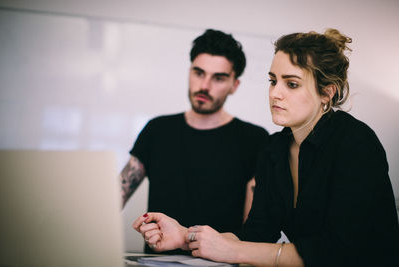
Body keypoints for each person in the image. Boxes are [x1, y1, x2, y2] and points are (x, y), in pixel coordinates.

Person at [133, 28, 399, 266]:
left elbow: (339, 252)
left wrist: (234, 252)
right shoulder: (275, 148)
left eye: (291, 84)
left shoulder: (355, 142)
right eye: (273, 80)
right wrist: (184, 236)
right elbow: (254, 236)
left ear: (326, 93)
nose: (275, 93)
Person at [121, 29, 269, 253]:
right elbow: (114, 198)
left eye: (218, 78)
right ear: (189, 72)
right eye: (199, 73)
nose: (205, 86)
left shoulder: (254, 139)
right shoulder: (157, 130)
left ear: (234, 85)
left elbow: (254, 233)